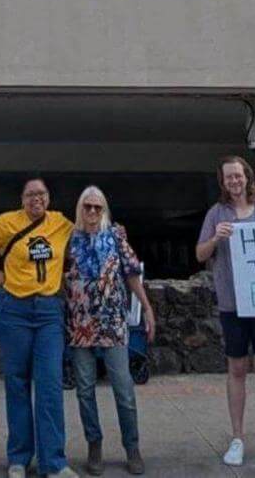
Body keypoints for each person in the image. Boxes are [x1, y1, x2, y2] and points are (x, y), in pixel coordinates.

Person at [0, 177, 79, 478]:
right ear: (22, 199)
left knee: (50, 384)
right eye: (30, 195)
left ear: (48, 198)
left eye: (41, 194)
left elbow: (86, 228)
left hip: (47, 310)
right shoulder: (8, 222)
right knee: (17, 382)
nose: (36, 199)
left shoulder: (59, 223)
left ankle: (54, 461)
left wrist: (112, 228)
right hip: (14, 308)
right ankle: (18, 457)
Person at [195, 157, 255, 469]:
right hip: (232, 304)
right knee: (236, 369)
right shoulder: (216, 214)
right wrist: (216, 238)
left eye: (238, 175)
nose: (234, 181)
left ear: (247, 178)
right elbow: (200, 254)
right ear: (223, 183)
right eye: (229, 178)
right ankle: (237, 438)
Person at [64, 186, 154, 476]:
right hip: (80, 325)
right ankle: (94, 444)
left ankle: (132, 446)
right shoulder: (69, 239)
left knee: (124, 388)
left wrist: (147, 308)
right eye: (87, 206)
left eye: (97, 207)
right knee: (85, 390)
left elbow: (131, 274)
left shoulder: (116, 236)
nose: (92, 212)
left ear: (104, 210)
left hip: (113, 323)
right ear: (80, 209)